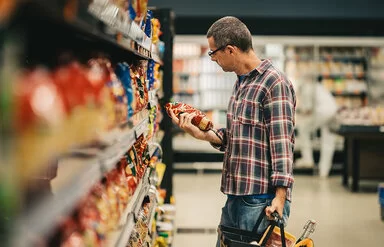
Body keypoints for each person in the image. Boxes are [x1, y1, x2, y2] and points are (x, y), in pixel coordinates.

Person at [168, 16, 296, 245]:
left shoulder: (274, 83)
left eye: (213, 52)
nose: (212, 58)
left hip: (261, 200)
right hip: (236, 194)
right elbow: (238, 138)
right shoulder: (241, 83)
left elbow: (282, 145)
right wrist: (203, 134)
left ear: (230, 50)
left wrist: (280, 197)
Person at [295, 81, 338, 177]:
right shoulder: (318, 86)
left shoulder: (306, 87)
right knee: (328, 141)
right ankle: (324, 171)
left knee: (303, 129)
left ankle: (308, 159)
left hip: (322, 112)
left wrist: (298, 112)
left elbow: (308, 109)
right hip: (333, 111)